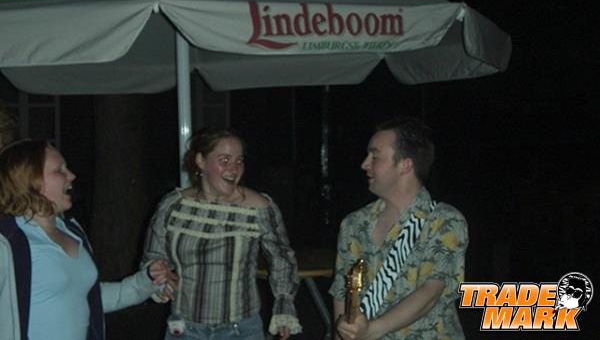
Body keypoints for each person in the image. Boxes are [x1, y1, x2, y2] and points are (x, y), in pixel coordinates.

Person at [0, 139, 178, 340]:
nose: (71, 175)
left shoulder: (72, 232)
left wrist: (146, 281)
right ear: (32, 181)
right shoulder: (8, 241)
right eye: (59, 170)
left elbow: (89, 297)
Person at [142, 128, 302, 340]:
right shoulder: (173, 205)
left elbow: (282, 259)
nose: (234, 169)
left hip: (241, 329)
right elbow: (153, 256)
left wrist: (283, 305)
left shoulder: (259, 208)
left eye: (239, 161)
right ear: (201, 161)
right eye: (224, 160)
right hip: (184, 329)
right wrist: (159, 279)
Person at [329, 117, 468, 340]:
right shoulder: (354, 224)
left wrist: (371, 331)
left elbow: (431, 291)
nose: (365, 164)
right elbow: (342, 293)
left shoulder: (444, 221)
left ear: (405, 165)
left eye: (375, 156)